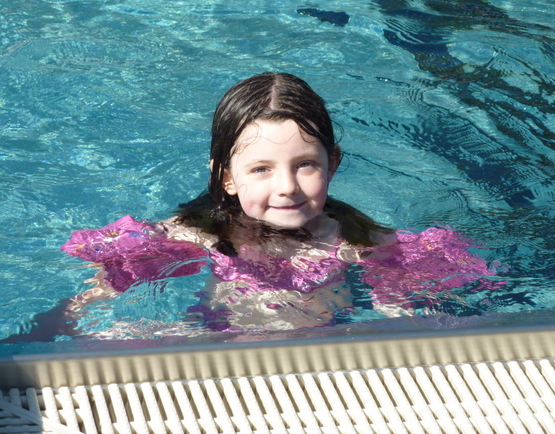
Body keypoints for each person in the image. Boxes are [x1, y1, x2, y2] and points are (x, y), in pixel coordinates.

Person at [4, 72, 502, 342]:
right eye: (261, 169)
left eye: (305, 165)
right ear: (226, 176)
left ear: (333, 164)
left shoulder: (356, 239)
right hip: (219, 345)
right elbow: (105, 287)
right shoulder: (202, 233)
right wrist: (61, 319)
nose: (287, 187)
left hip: (326, 349)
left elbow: (409, 310)